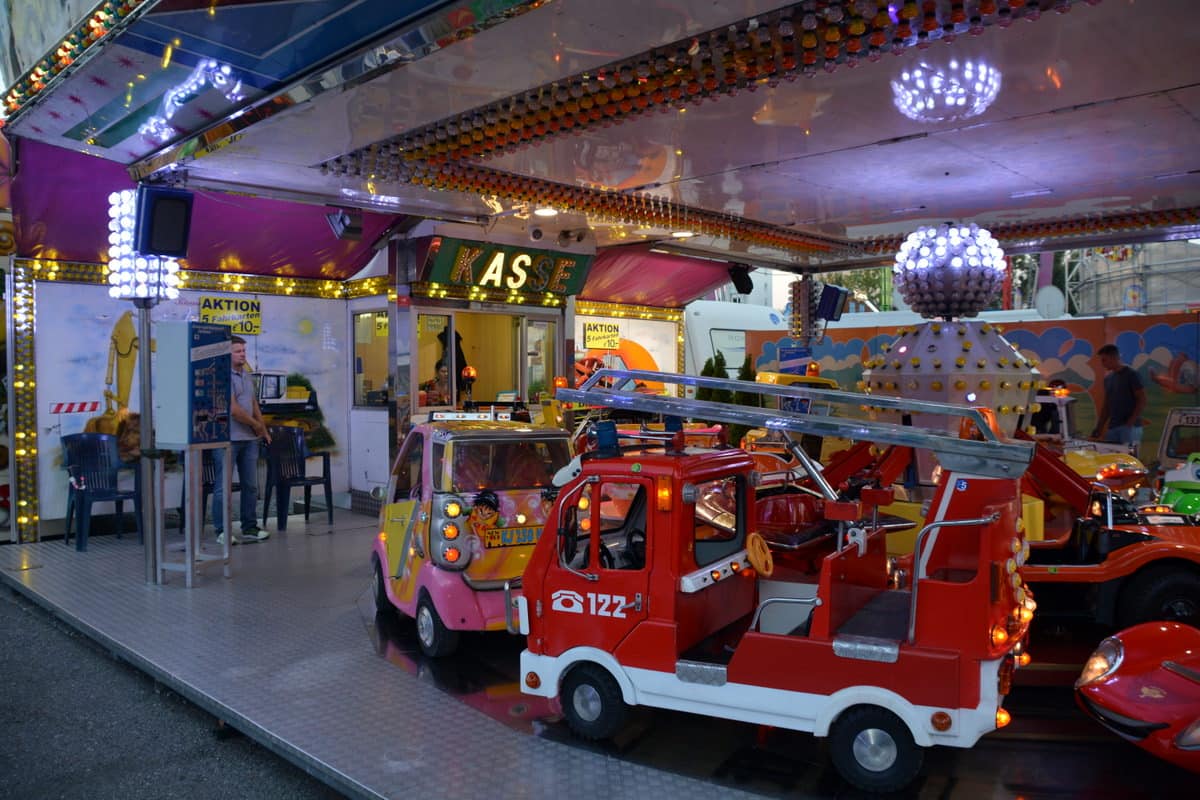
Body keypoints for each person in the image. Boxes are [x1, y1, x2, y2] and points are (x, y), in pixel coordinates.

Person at [213, 335, 271, 544]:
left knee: (251, 486)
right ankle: (222, 531)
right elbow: (234, 410)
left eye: (244, 350)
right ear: (226, 354)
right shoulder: (222, 376)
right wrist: (256, 425)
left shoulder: (246, 375)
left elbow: (253, 404)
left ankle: (250, 527)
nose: (243, 354)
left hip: (249, 440)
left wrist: (263, 430)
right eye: (238, 351)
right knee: (223, 487)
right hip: (227, 439)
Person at [1091, 343, 1147, 446]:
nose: (1102, 364)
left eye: (1104, 360)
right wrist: (1099, 427)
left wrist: (1131, 422)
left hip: (1130, 427)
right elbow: (1106, 406)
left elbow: (1142, 399)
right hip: (1113, 427)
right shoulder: (1108, 379)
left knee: (1128, 455)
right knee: (1110, 454)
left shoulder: (1131, 375)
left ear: (1114, 358)